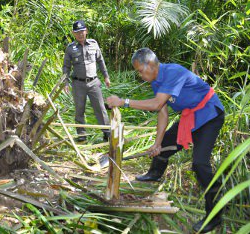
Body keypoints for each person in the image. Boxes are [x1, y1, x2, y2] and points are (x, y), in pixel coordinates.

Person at [106, 48, 225, 233]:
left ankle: (215, 213)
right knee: (165, 146)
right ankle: (154, 173)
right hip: (191, 117)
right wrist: (157, 143)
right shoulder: (155, 82)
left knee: (200, 164)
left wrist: (124, 102)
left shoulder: (173, 72)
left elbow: (155, 104)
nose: (140, 75)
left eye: (140, 70)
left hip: (209, 114)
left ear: (151, 64)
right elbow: (162, 113)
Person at [63, 20, 111, 142]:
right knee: (79, 109)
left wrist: (106, 76)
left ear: (86, 31)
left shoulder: (94, 44)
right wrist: (66, 82)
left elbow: (100, 61)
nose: (80, 34)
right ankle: (81, 134)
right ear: (73, 33)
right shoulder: (70, 48)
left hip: (94, 82)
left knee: (100, 108)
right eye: (77, 32)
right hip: (78, 84)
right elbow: (66, 67)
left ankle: (107, 132)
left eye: (82, 31)